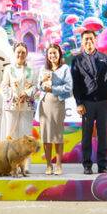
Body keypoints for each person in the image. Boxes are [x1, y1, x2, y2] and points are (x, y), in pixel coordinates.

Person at [70, 30, 107, 174]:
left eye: (91, 39)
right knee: (87, 135)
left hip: (102, 101)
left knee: (103, 135)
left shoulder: (105, 58)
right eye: (86, 39)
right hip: (86, 102)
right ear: (82, 42)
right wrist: (79, 103)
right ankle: (87, 165)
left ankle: (102, 165)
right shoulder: (77, 60)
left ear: (96, 40)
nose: (89, 42)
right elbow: (75, 84)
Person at [0, 42, 38, 173]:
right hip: (12, 105)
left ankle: (25, 165)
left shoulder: (31, 70)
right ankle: (9, 165)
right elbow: (4, 86)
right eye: (18, 52)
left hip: (26, 106)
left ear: (26, 54)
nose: (20, 54)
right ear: (14, 53)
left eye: (23, 52)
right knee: (11, 135)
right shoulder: (8, 69)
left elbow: (35, 86)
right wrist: (14, 95)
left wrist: (26, 93)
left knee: (26, 135)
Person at [37, 43, 72, 175]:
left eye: (55, 53)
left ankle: (58, 164)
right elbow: (38, 86)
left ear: (59, 54)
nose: (52, 55)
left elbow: (69, 87)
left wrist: (53, 88)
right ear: (47, 55)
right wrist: (42, 82)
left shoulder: (65, 68)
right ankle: (48, 165)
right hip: (44, 104)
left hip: (58, 104)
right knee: (46, 135)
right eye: (50, 53)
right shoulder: (43, 69)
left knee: (57, 135)